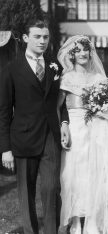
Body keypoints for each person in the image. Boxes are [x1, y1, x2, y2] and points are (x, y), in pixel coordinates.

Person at [0, 18, 70, 234]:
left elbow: (63, 100)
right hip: (23, 138)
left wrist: (65, 123)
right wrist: (5, 149)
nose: (42, 41)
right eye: (38, 36)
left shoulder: (55, 66)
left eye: (46, 37)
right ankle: (30, 231)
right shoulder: (11, 69)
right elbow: (2, 113)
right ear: (25, 38)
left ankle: (51, 231)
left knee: (51, 188)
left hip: (50, 135)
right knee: (26, 191)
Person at [57, 35, 108, 234]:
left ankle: (92, 220)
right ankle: (76, 221)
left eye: (85, 50)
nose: (82, 53)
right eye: (77, 50)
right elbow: (58, 107)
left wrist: (104, 109)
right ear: (71, 54)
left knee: (95, 174)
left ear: (90, 52)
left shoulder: (99, 78)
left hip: (96, 130)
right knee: (74, 175)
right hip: (75, 130)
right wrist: (63, 126)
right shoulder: (66, 78)